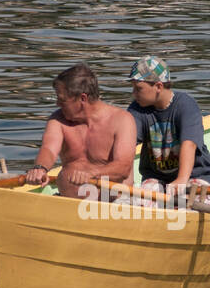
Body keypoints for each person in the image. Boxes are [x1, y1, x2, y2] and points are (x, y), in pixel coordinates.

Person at [24, 64, 136, 199]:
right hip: (69, 202)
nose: (57, 104)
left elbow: (122, 168)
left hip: (112, 205)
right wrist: (40, 168)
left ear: (83, 98)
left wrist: (92, 174)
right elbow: (49, 149)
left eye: (62, 99)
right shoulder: (58, 119)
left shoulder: (122, 120)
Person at [126, 55, 210, 202]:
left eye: (138, 89)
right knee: (140, 201)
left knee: (187, 202)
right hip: (157, 179)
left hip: (195, 176)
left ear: (158, 86)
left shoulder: (185, 105)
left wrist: (181, 180)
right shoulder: (137, 110)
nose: (134, 94)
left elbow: (189, 144)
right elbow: (126, 144)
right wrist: (126, 185)